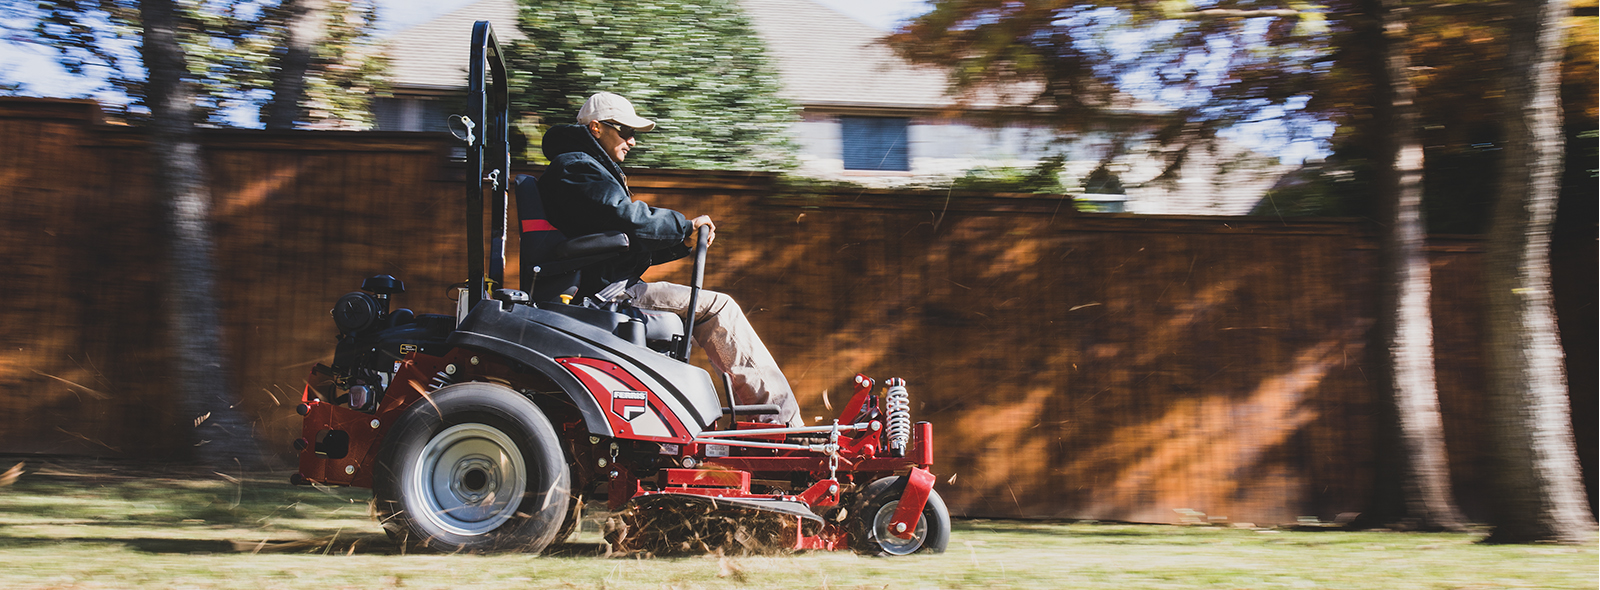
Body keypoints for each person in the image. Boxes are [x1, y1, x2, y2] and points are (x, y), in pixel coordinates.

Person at [537, 92, 802, 427]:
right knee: (719, 308)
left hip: (608, 283)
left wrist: (681, 241)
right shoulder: (577, 168)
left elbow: (621, 238)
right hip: (606, 293)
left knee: (706, 313)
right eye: (625, 131)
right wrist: (684, 226)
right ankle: (783, 426)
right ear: (596, 128)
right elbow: (627, 218)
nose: (632, 141)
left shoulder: (582, 167)